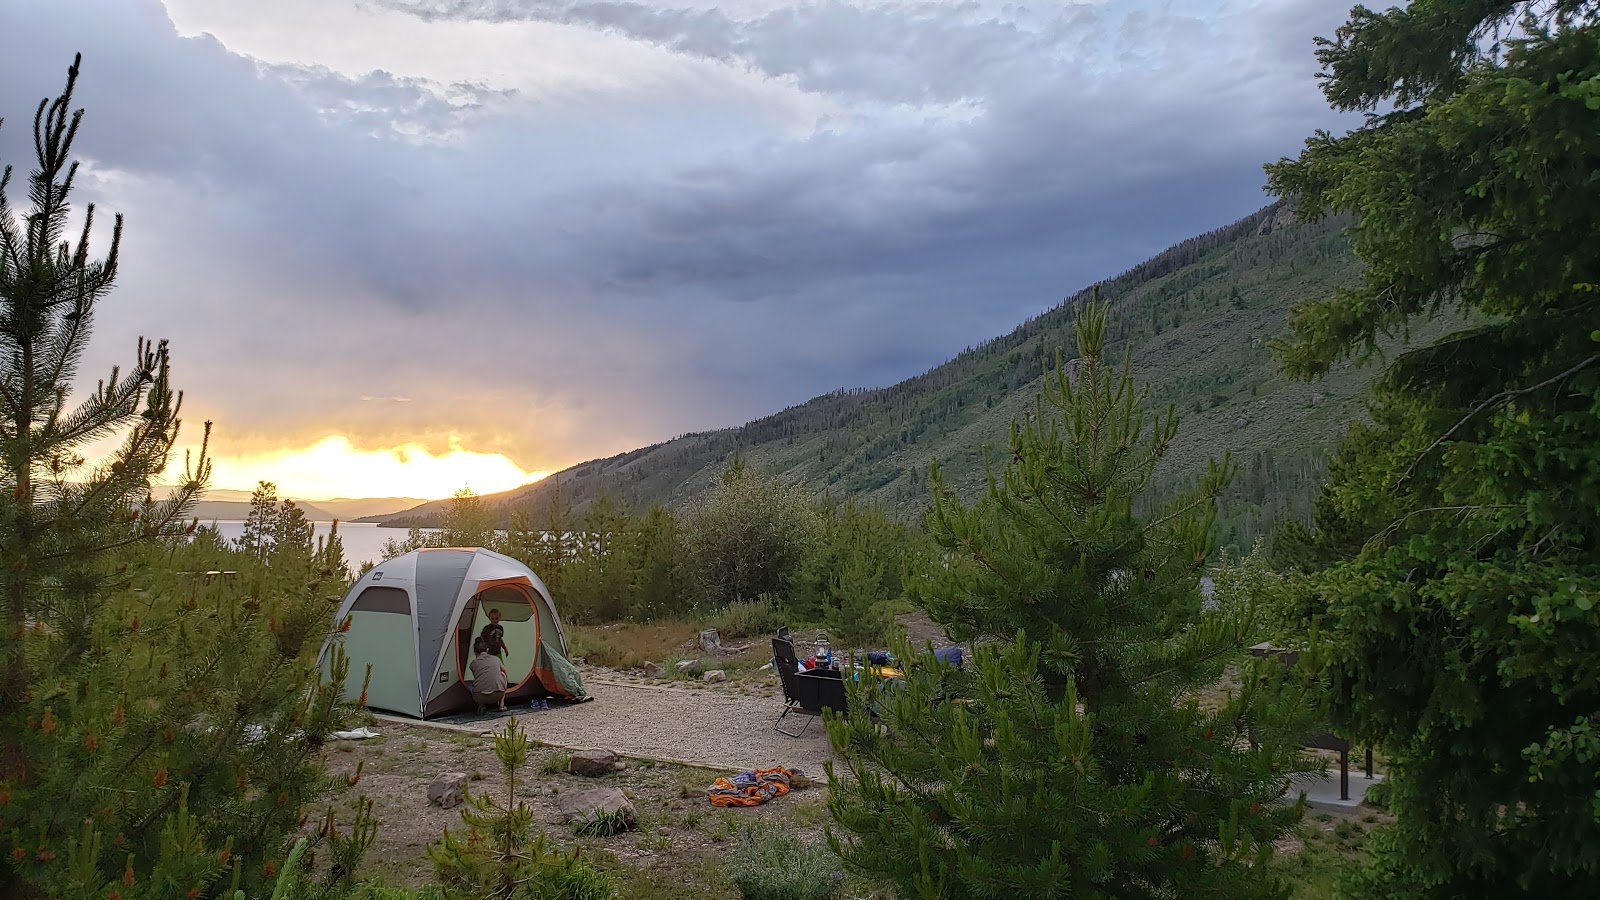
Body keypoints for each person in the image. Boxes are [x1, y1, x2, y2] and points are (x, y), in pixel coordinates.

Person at [468, 636, 507, 712]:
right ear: (487, 650)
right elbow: (505, 671)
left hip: (480, 697)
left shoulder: (473, 664)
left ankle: (481, 705)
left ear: (475, 652)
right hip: (498, 695)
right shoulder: (496, 659)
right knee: (503, 674)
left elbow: (477, 677)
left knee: (477, 682)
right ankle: (501, 705)